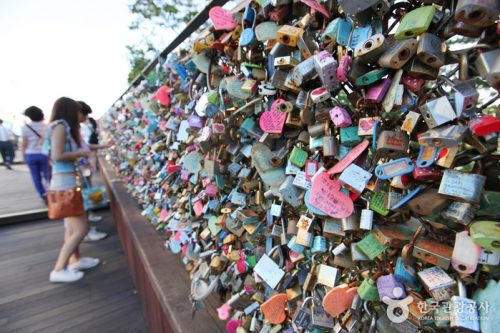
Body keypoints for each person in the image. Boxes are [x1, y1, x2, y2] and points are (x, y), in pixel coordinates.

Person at [45, 97, 99, 283]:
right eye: (78, 111)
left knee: (71, 227)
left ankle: (75, 260)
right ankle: (59, 268)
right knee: (81, 228)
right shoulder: (60, 126)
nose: (80, 115)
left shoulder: (60, 127)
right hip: (64, 185)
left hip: (65, 183)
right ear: (70, 111)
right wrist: (81, 153)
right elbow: (57, 155)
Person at [78, 101, 110, 241]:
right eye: (85, 114)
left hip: (79, 167)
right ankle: (86, 230)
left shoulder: (72, 128)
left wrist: (103, 146)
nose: (86, 117)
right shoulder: (71, 129)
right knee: (83, 193)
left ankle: (88, 221)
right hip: (76, 169)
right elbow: (84, 146)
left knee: (85, 191)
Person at [21, 106, 50, 202]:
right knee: (48, 176)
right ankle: (50, 193)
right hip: (44, 154)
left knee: (35, 177)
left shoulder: (25, 127)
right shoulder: (47, 126)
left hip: (30, 154)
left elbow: (24, 143)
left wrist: (23, 156)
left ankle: (43, 195)